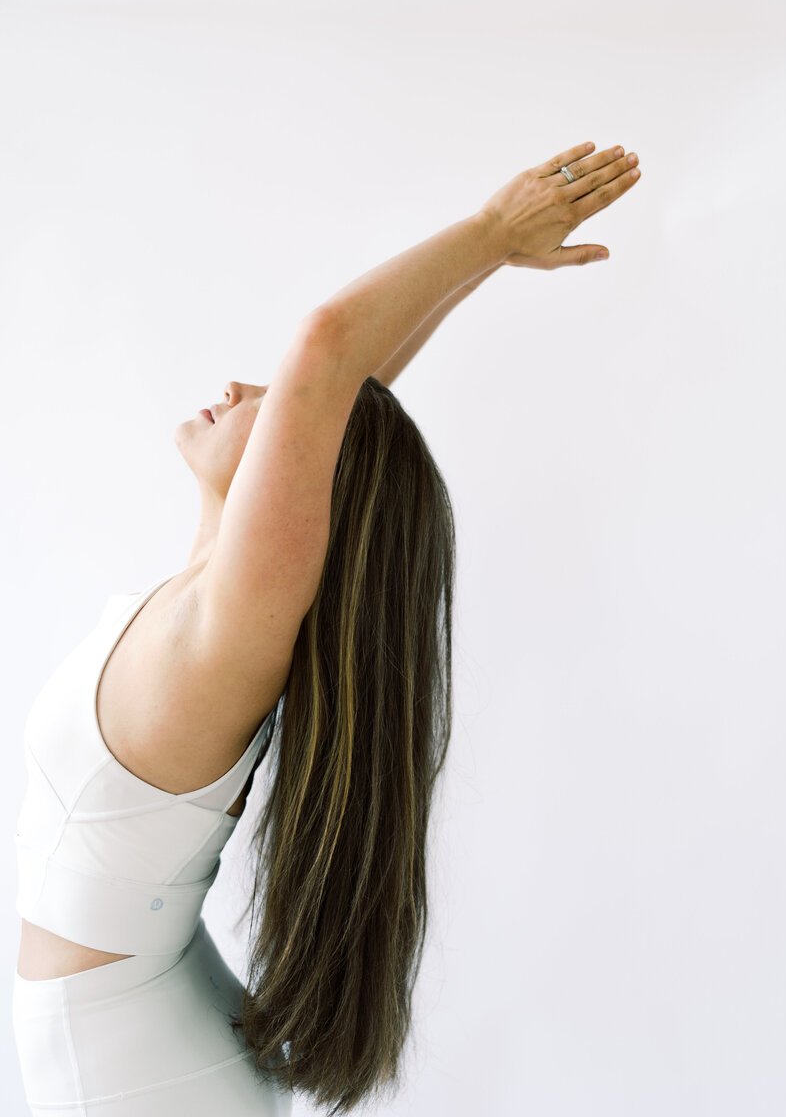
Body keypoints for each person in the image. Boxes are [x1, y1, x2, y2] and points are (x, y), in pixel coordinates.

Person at [12, 140, 641, 1115]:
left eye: (280, 409)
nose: (241, 389)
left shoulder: (228, 635)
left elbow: (328, 354)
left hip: (123, 1068)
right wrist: (481, 258)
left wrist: (489, 232)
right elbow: (339, 389)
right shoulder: (214, 604)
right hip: (139, 1031)